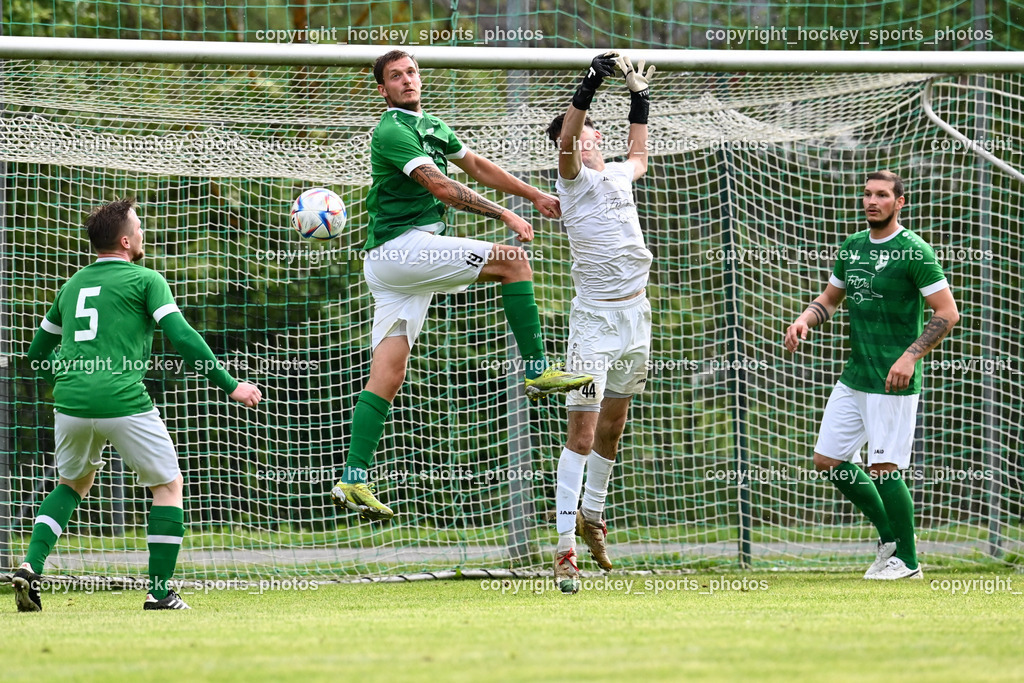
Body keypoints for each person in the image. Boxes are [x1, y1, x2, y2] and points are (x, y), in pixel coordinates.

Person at [330, 50, 593, 521]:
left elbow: (476, 166)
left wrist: (531, 194)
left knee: (389, 374)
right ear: (382, 90)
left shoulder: (430, 124)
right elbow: (440, 186)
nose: (407, 80)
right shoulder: (393, 130)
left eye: (411, 72)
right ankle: (535, 369)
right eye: (395, 76)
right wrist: (504, 212)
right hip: (400, 250)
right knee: (512, 261)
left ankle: (352, 478)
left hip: (396, 262)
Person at [14, 198, 262, 611]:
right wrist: (229, 384)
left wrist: (67, 380)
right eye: (140, 228)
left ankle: (30, 565)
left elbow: (37, 352)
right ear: (126, 241)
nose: (145, 233)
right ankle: (160, 592)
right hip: (122, 399)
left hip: (71, 402)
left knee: (71, 485)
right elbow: (182, 338)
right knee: (167, 487)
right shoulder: (146, 279)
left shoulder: (72, 285)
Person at [785, 171, 959, 580]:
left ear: (900, 203)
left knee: (885, 469)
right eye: (867, 194)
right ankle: (889, 542)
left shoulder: (914, 251)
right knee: (828, 460)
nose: (871, 201)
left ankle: (909, 563)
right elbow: (830, 298)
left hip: (893, 381)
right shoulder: (854, 245)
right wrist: (805, 319)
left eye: (882, 195)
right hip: (855, 376)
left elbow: (947, 312)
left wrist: (910, 357)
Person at [545, 52, 655, 594]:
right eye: (589, 133)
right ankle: (565, 548)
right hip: (594, 321)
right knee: (584, 433)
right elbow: (568, 140)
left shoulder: (615, 173)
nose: (595, 138)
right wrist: (591, 80)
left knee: (614, 427)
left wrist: (638, 96)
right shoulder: (571, 180)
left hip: (637, 316)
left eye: (595, 133)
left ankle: (593, 515)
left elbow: (639, 151)